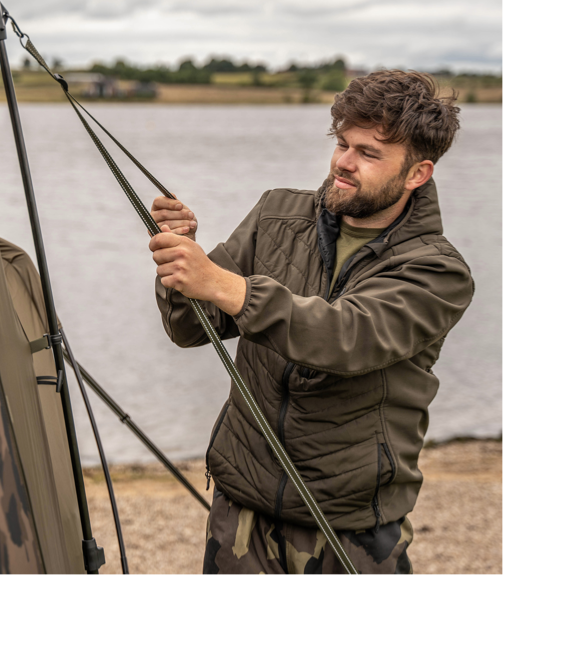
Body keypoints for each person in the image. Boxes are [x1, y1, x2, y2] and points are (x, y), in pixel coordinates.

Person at [148, 70, 474, 574]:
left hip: (352, 527)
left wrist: (222, 284)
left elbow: (348, 337)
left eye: (368, 153)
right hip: (240, 509)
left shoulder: (437, 271)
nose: (344, 162)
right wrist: (181, 263)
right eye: (342, 144)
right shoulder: (276, 214)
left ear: (417, 173)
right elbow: (191, 328)